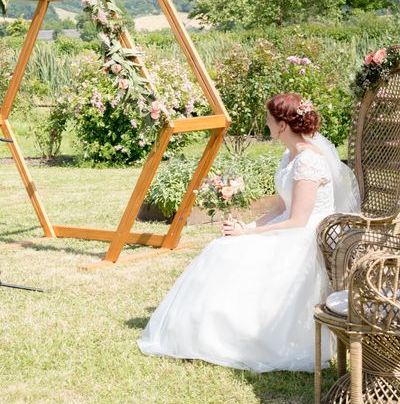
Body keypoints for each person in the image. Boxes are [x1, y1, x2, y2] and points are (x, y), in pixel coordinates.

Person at [138, 92, 360, 373]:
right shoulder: (289, 155)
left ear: (282, 125)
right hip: (290, 227)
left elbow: (298, 219)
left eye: (269, 120)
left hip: (308, 236)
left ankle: (241, 334)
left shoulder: (308, 161)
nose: (266, 124)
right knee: (223, 245)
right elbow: (282, 207)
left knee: (240, 252)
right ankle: (207, 329)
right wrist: (247, 228)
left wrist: (251, 236)